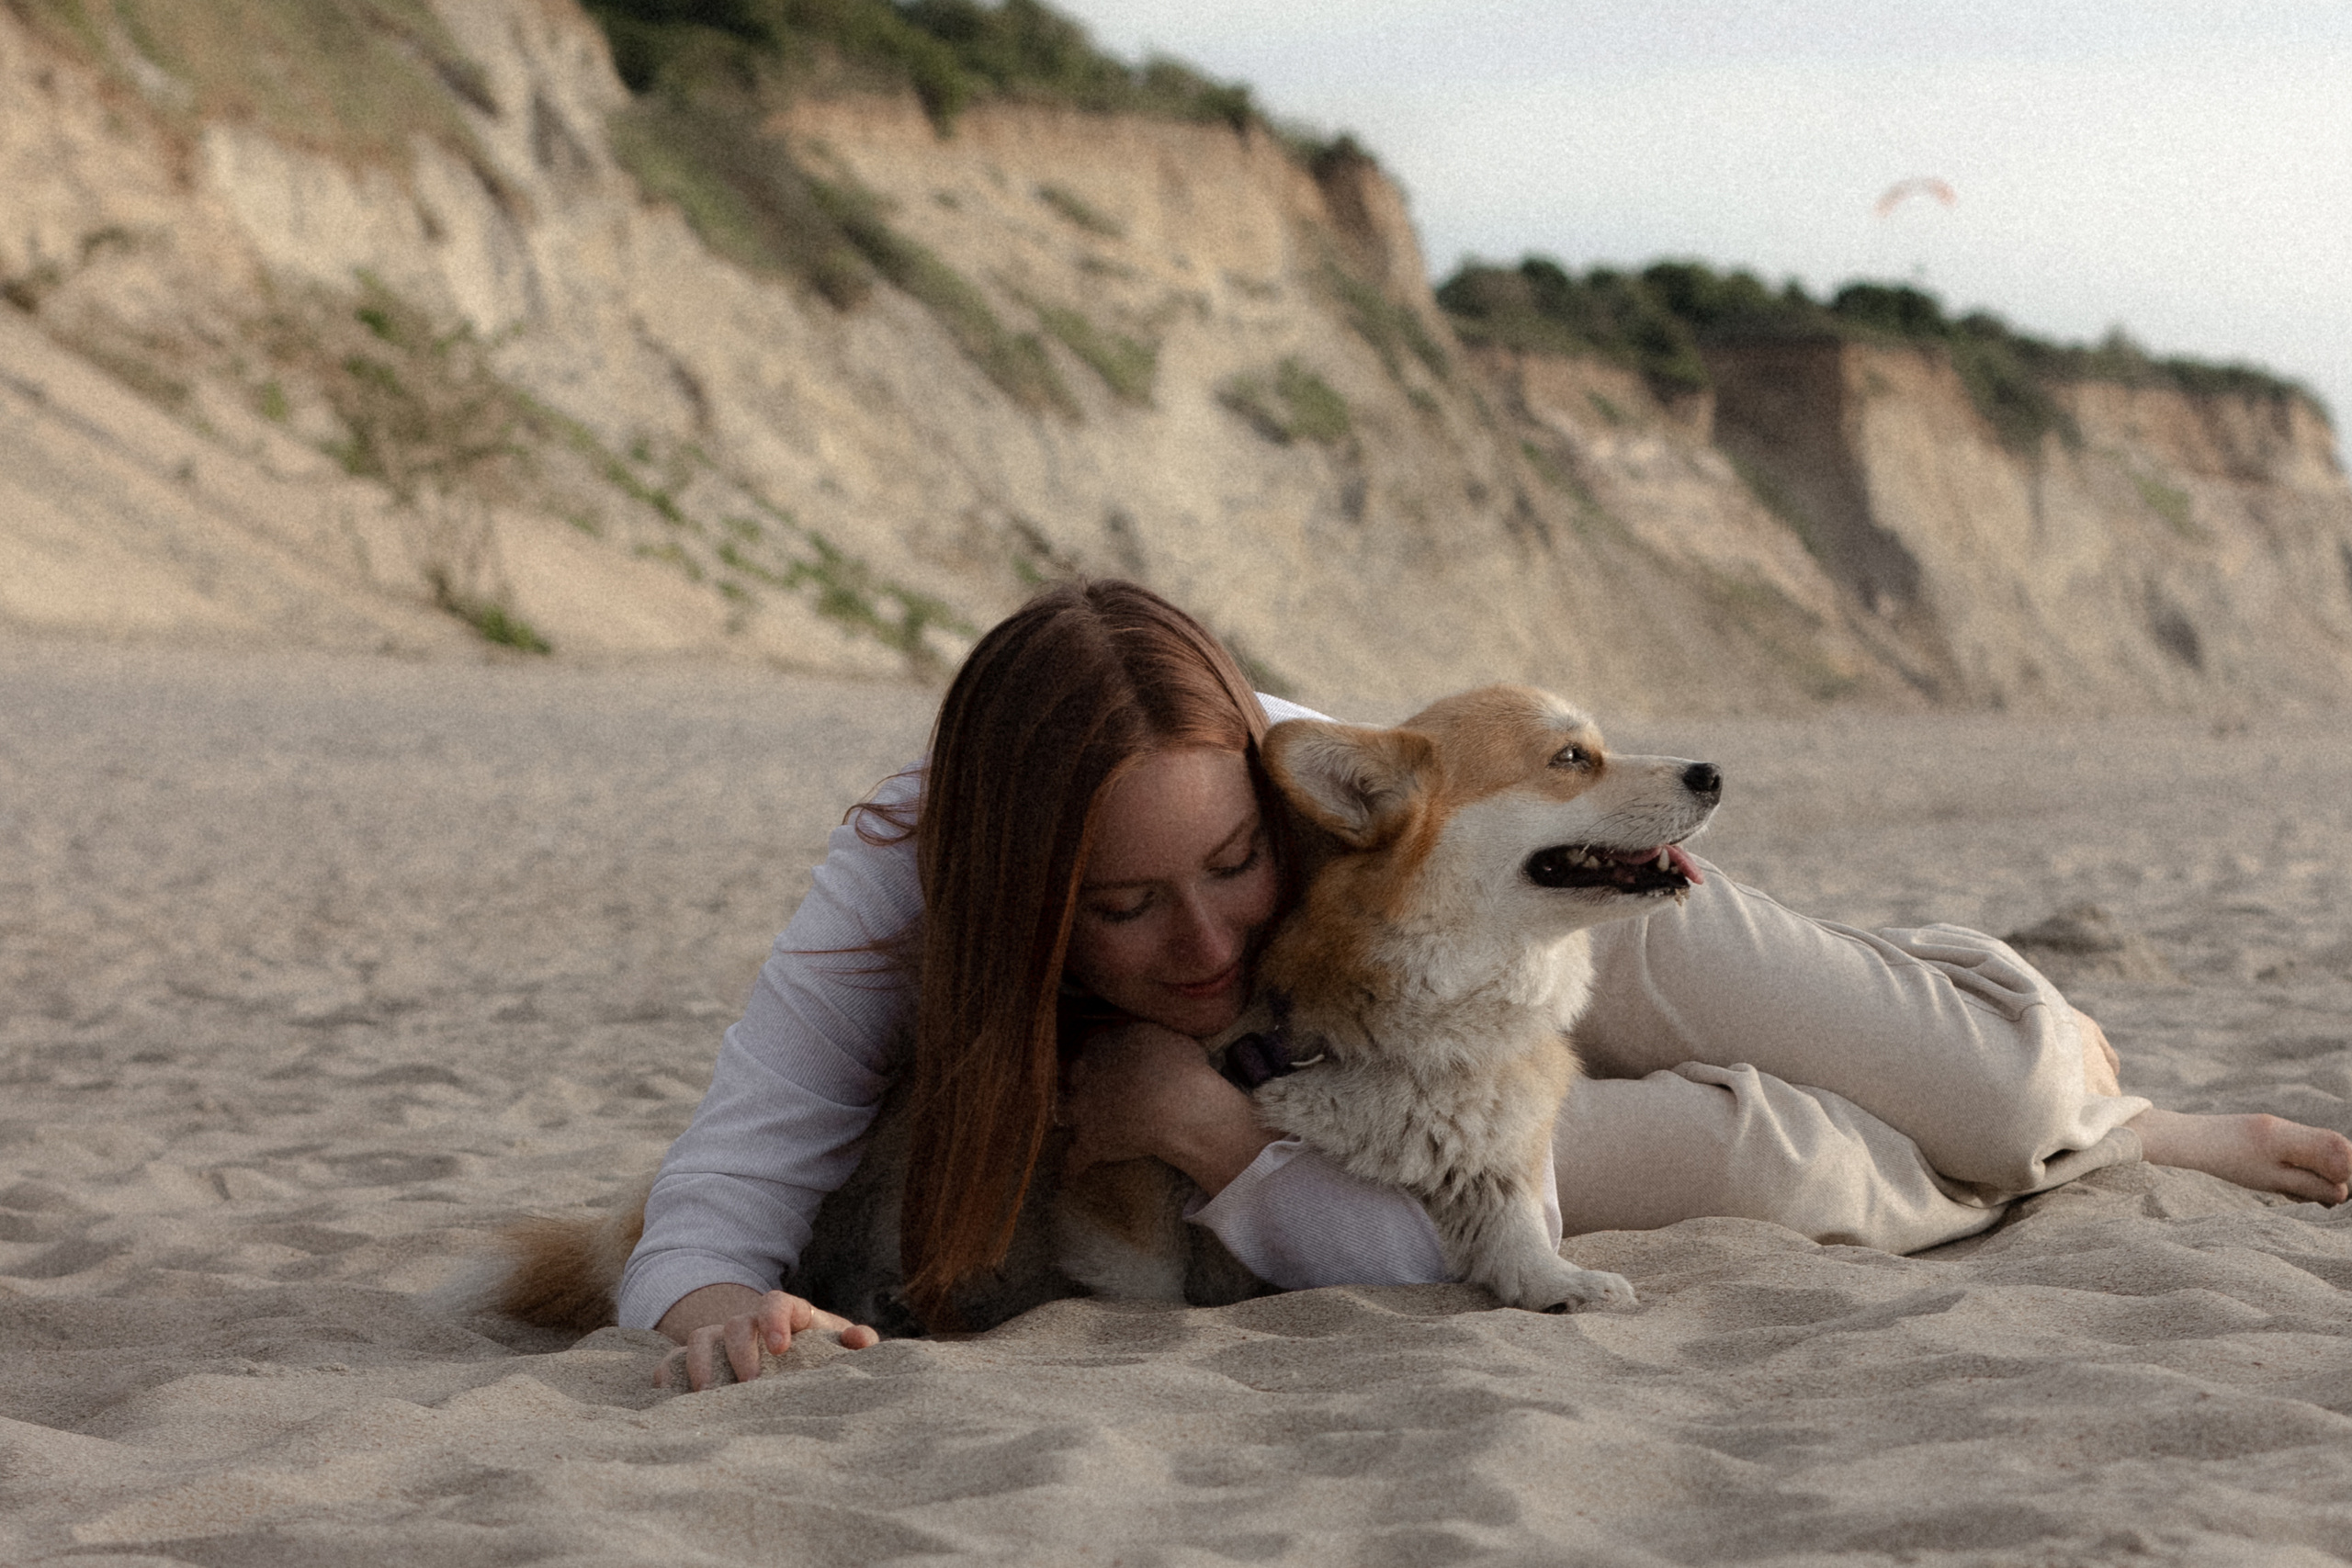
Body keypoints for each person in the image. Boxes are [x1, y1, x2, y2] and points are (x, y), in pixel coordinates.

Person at [626, 580, 2352, 1391]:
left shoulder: (1320, 771)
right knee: (1761, 1165)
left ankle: (2122, 1116)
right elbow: (715, 1199)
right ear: (1022, 902)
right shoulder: (903, 873)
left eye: (1233, 864)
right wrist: (711, 1309)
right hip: (1384, 1109)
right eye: (1123, 913)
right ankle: (2036, 1163)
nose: (1207, 941)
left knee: (2003, 1091)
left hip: (1529, 916)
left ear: (1269, 776)